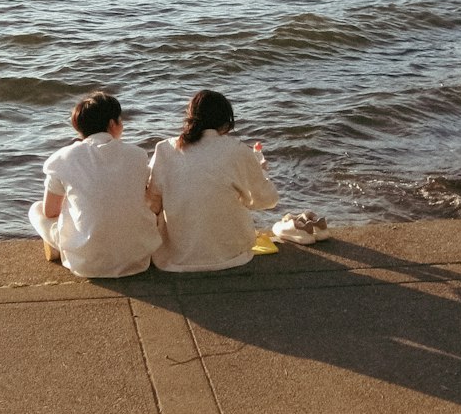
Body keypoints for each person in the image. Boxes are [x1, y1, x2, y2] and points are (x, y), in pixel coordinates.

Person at [28, 90, 161, 278]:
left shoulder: (61, 158)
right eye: (120, 120)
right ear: (112, 124)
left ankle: (59, 245)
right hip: (137, 259)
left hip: (85, 263)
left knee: (37, 209)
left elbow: (50, 212)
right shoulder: (137, 155)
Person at [146, 90, 278, 272]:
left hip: (175, 257)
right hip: (232, 254)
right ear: (225, 121)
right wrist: (260, 172)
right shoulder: (238, 150)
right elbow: (267, 200)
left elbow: (152, 205)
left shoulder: (165, 149)